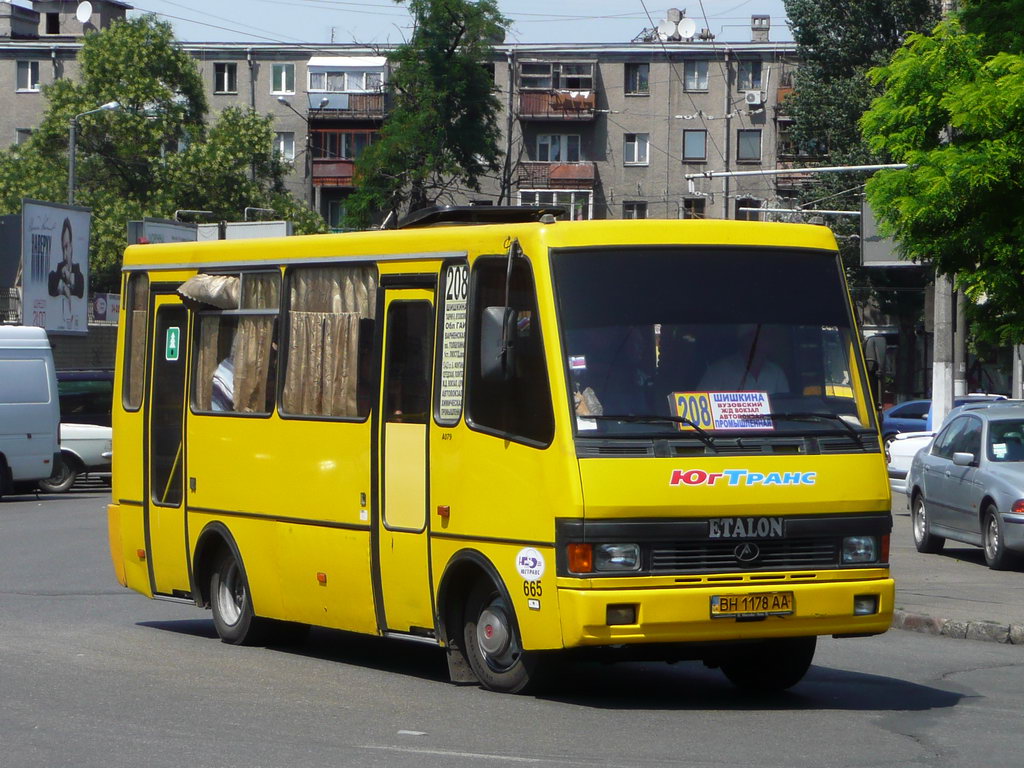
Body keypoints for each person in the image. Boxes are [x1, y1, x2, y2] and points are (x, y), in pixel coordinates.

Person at [699, 323, 789, 394]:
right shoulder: (718, 371)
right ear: (746, 340)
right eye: (762, 335)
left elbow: (784, 407)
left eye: (768, 336)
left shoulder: (776, 372)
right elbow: (701, 406)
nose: (767, 340)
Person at [48, 217, 85, 303]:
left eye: (67, 246)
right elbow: (52, 293)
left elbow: (80, 294)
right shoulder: (53, 275)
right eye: (63, 247)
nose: (65, 253)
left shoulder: (79, 275)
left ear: (72, 247)